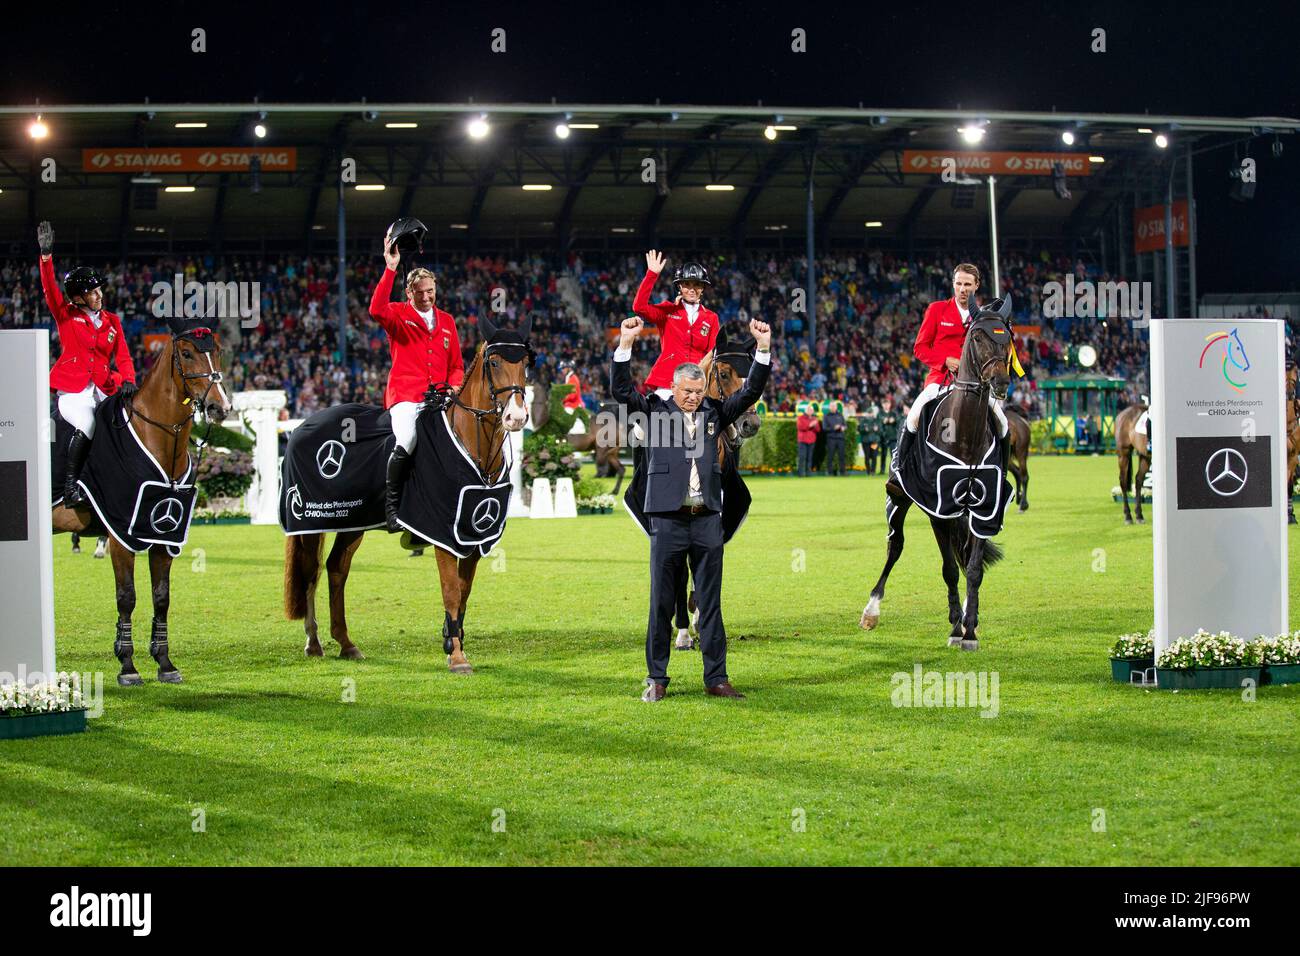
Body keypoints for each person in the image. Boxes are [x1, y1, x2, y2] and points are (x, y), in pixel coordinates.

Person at [611, 314, 771, 701]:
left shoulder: (714, 414)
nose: (692, 397)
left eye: (698, 391)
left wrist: (763, 350)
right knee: (661, 603)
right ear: (673, 388)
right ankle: (657, 679)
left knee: (711, 604)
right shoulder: (654, 410)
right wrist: (626, 344)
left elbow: (748, 393)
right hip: (666, 521)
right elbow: (620, 390)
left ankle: (717, 678)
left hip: (706, 522)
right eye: (686, 391)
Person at [369, 226, 464, 533]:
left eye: (430, 291)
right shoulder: (396, 314)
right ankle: (392, 509)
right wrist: (390, 267)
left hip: (440, 397)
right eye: (420, 293)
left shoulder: (447, 321)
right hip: (406, 397)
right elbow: (375, 308)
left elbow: (457, 366)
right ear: (409, 293)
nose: (426, 297)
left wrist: (454, 385)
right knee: (408, 439)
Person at [37, 221, 137, 506]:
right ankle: (69, 489)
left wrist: (128, 379)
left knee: (128, 422)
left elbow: (124, 356)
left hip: (105, 386)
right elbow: (49, 289)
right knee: (89, 423)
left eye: (99, 291)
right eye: (93, 293)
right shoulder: (66, 314)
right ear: (79, 297)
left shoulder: (111, 321)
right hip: (75, 391)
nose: (100, 295)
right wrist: (46, 258)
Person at [895, 263, 981, 464]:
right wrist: (945, 361)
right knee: (914, 416)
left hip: (975, 383)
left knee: (1002, 422)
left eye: (967, 284)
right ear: (953, 284)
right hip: (939, 380)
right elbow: (920, 348)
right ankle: (898, 469)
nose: (962, 289)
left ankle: (1001, 471)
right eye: (958, 283)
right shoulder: (937, 309)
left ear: (976, 285)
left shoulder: (983, 316)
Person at [632, 250, 720, 399]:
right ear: (679, 286)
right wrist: (651, 275)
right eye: (686, 284)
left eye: (697, 284)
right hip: (668, 382)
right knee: (655, 420)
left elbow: (713, 354)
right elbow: (639, 307)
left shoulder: (711, 318)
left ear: (703, 288)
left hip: (697, 386)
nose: (692, 289)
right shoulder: (667, 311)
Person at [823, 400, 847, 475]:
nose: (833, 407)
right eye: (832, 406)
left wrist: (843, 428)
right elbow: (824, 428)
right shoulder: (826, 416)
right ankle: (830, 472)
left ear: (836, 407)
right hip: (831, 438)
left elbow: (845, 425)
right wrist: (834, 428)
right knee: (830, 456)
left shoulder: (840, 415)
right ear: (829, 407)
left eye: (834, 406)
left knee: (842, 456)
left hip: (840, 438)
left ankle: (843, 472)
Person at [859, 400, 882, 475]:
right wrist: (864, 430)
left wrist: (877, 429)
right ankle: (868, 471)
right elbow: (859, 429)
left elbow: (880, 431)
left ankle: (873, 471)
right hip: (866, 442)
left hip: (874, 441)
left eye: (871, 413)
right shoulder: (863, 421)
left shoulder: (877, 421)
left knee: (874, 456)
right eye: (869, 413)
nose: (870, 414)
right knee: (867, 457)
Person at [796, 403, 820, 476]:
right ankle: (801, 473)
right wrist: (810, 425)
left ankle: (808, 473)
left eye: (812, 410)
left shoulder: (814, 419)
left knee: (810, 457)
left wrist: (815, 426)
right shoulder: (800, 418)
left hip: (811, 441)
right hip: (803, 440)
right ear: (806, 410)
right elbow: (800, 427)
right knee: (802, 457)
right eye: (809, 410)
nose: (810, 411)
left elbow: (818, 430)